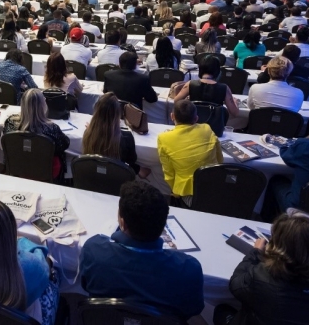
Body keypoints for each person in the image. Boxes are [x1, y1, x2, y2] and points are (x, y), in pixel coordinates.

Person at [80, 181, 204, 320]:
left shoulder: (94, 250)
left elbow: (85, 285)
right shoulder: (189, 268)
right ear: (163, 226)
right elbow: (193, 309)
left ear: (122, 223)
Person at [157, 100, 223, 206]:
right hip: (213, 184)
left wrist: (175, 192)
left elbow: (168, 173)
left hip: (188, 193)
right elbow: (220, 158)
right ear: (196, 118)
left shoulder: (163, 138)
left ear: (172, 116)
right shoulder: (207, 128)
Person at [2, 88, 70, 181]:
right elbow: (64, 144)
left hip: (17, 167)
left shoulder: (10, 122)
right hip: (46, 171)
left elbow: (3, 146)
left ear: (22, 104)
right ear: (43, 105)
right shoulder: (52, 128)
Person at [82, 93, 143, 176]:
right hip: (118, 182)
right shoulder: (127, 137)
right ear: (118, 114)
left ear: (96, 112)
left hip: (93, 179)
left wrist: (92, 128)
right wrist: (139, 170)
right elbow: (131, 162)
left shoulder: (88, 133)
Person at [174, 56, 240, 117]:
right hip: (215, 126)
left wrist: (179, 94)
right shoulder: (224, 88)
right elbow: (235, 113)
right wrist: (235, 103)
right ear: (217, 71)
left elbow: (176, 102)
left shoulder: (190, 84)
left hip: (194, 124)